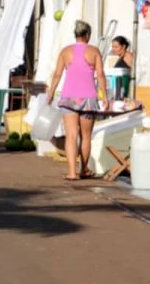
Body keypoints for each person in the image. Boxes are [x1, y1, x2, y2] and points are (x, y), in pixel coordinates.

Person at [47, 20, 109, 181]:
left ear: (75, 35)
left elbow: (57, 74)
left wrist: (51, 93)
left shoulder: (65, 51)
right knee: (86, 136)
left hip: (68, 98)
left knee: (71, 136)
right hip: (88, 99)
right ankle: (83, 169)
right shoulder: (94, 52)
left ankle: (72, 172)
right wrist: (105, 96)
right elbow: (101, 75)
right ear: (87, 35)